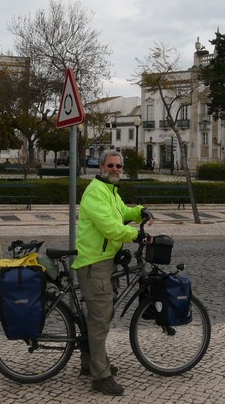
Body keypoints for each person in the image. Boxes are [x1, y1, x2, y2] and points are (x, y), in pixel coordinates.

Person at [72, 149, 153, 396]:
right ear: (101, 167)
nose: (115, 169)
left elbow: (121, 213)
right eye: (111, 165)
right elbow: (110, 227)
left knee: (97, 317)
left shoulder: (109, 191)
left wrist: (139, 211)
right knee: (99, 321)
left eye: (118, 166)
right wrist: (136, 234)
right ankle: (100, 377)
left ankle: (89, 364)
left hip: (106, 262)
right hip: (94, 264)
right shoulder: (96, 192)